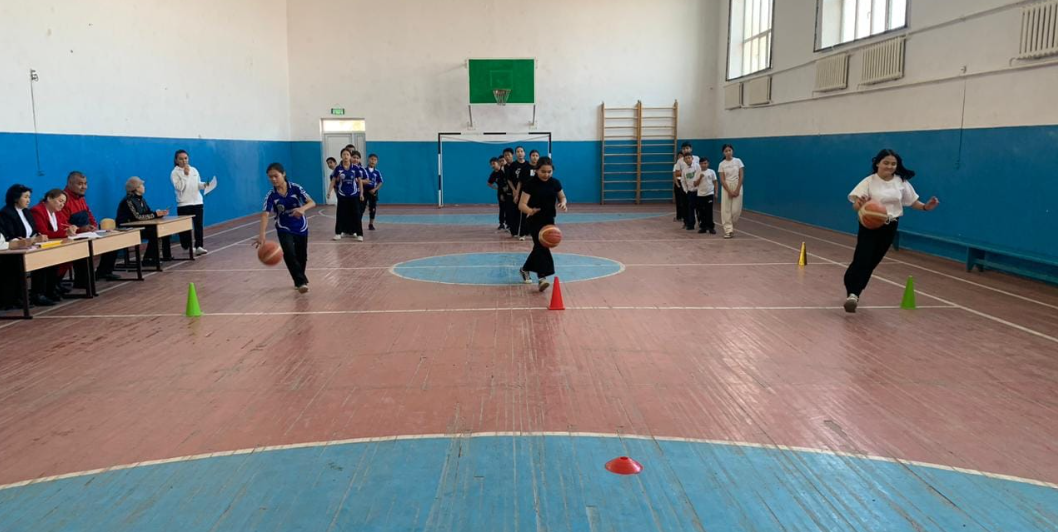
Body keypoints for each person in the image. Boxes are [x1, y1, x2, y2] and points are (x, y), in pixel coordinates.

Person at [843, 149, 939, 313]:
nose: (890, 166)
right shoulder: (868, 182)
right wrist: (860, 203)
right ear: (877, 163)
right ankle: (853, 293)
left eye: (893, 164)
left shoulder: (901, 182)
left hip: (890, 225)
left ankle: (852, 283)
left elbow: (912, 202)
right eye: (886, 163)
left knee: (872, 261)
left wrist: (925, 207)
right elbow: (855, 206)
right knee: (863, 258)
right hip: (869, 225)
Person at [255, 162, 316, 293]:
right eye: (270, 177)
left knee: (301, 255)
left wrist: (302, 209)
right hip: (283, 226)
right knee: (289, 252)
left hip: (300, 226)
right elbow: (265, 214)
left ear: (283, 174)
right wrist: (262, 234)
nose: (273, 179)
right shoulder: (271, 195)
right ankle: (300, 282)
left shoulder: (296, 188)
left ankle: (299, 279)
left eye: (275, 176)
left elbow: (312, 202)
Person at [518, 157, 568, 292]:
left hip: (549, 220)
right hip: (534, 220)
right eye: (543, 172)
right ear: (537, 170)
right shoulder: (530, 184)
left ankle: (525, 269)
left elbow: (562, 197)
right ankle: (542, 278)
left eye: (549, 172)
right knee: (542, 247)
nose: (546, 174)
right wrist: (530, 211)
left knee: (539, 247)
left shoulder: (555, 183)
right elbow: (521, 205)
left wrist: (563, 203)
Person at [0, 185, 55, 306]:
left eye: (29, 197)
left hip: (29, 247)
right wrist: (25, 241)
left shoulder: (26, 212)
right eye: (25, 197)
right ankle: (18, 297)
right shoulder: (6, 213)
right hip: (13, 251)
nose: (28, 200)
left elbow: (33, 230)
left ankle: (40, 293)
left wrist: (38, 237)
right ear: (15, 198)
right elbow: (9, 235)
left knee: (46, 257)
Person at [63, 171, 121, 283]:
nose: (84, 187)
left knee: (112, 240)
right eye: (80, 184)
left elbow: (89, 214)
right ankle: (82, 280)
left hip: (87, 233)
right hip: (74, 237)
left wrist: (94, 226)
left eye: (85, 183)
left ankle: (104, 271)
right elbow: (62, 223)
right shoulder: (64, 200)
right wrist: (80, 230)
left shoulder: (81, 198)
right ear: (70, 183)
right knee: (83, 248)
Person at [29, 189, 77, 300]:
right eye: (60, 201)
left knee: (70, 253)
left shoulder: (56, 212)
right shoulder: (37, 211)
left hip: (53, 245)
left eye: (64, 202)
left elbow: (62, 227)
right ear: (49, 198)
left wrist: (71, 228)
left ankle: (55, 284)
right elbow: (43, 233)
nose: (62, 205)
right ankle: (44, 291)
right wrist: (65, 233)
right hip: (40, 247)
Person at [116, 177, 170, 265]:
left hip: (139, 226)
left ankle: (160, 256)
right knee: (154, 232)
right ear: (136, 188)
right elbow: (137, 217)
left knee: (163, 229)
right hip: (128, 228)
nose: (144, 187)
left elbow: (148, 212)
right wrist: (155, 215)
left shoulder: (142, 199)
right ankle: (149, 259)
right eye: (142, 185)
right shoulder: (128, 201)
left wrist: (160, 213)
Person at [170, 149, 209, 254]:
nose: (184, 161)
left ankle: (199, 246)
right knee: (185, 227)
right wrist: (185, 175)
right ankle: (187, 247)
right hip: (184, 204)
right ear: (176, 160)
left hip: (197, 202)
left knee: (198, 225)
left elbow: (197, 184)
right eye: (181, 159)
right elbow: (179, 187)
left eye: (186, 158)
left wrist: (204, 185)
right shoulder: (175, 173)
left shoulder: (194, 170)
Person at [328, 148, 365, 241]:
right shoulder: (338, 168)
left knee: (356, 215)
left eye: (347, 154)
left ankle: (359, 234)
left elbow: (360, 181)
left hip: (354, 195)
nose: (346, 156)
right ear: (341, 156)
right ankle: (338, 233)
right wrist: (329, 191)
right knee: (340, 214)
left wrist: (361, 193)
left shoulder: (355, 168)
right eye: (344, 154)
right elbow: (333, 181)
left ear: (350, 156)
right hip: (342, 195)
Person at [718, 144, 745, 238]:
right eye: (726, 151)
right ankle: (728, 230)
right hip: (726, 186)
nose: (728, 152)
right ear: (723, 153)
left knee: (736, 210)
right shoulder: (721, 164)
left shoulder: (738, 161)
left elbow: (741, 175)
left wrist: (737, 189)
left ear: (732, 151)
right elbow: (722, 179)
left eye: (729, 150)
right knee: (726, 209)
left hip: (737, 185)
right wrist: (729, 191)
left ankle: (731, 225)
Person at [672, 142, 699, 223]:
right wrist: (686, 172)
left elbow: (699, 170)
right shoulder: (680, 161)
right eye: (683, 149)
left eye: (687, 148)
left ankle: (700, 222)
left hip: (696, 185)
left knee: (698, 205)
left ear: (691, 149)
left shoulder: (696, 158)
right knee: (685, 204)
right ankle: (687, 222)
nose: (685, 150)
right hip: (685, 185)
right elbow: (677, 173)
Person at [693, 157, 718, 234]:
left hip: (709, 194)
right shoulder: (697, 172)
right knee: (701, 212)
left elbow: (715, 182)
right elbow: (695, 184)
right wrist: (700, 178)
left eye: (705, 163)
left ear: (708, 163)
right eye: (702, 163)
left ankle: (711, 227)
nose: (704, 165)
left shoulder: (711, 172)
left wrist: (716, 192)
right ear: (699, 164)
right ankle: (703, 227)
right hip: (700, 195)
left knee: (709, 211)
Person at [360, 153, 384, 231]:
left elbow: (381, 182)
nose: (373, 161)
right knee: (361, 208)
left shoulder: (377, 172)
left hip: (373, 192)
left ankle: (371, 224)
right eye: (371, 159)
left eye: (375, 160)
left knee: (373, 208)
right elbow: (359, 180)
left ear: (377, 161)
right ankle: (358, 224)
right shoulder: (363, 170)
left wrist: (375, 189)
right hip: (364, 192)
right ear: (368, 160)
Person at [487, 157, 509, 231]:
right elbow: (489, 183)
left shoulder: (504, 171)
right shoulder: (493, 174)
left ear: (498, 163)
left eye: (494, 163)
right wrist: (497, 188)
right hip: (500, 193)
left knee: (509, 208)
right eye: (491, 164)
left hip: (508, 192)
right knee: (502, 208)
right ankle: (501, 224)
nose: (492, 166)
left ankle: (509, 224)